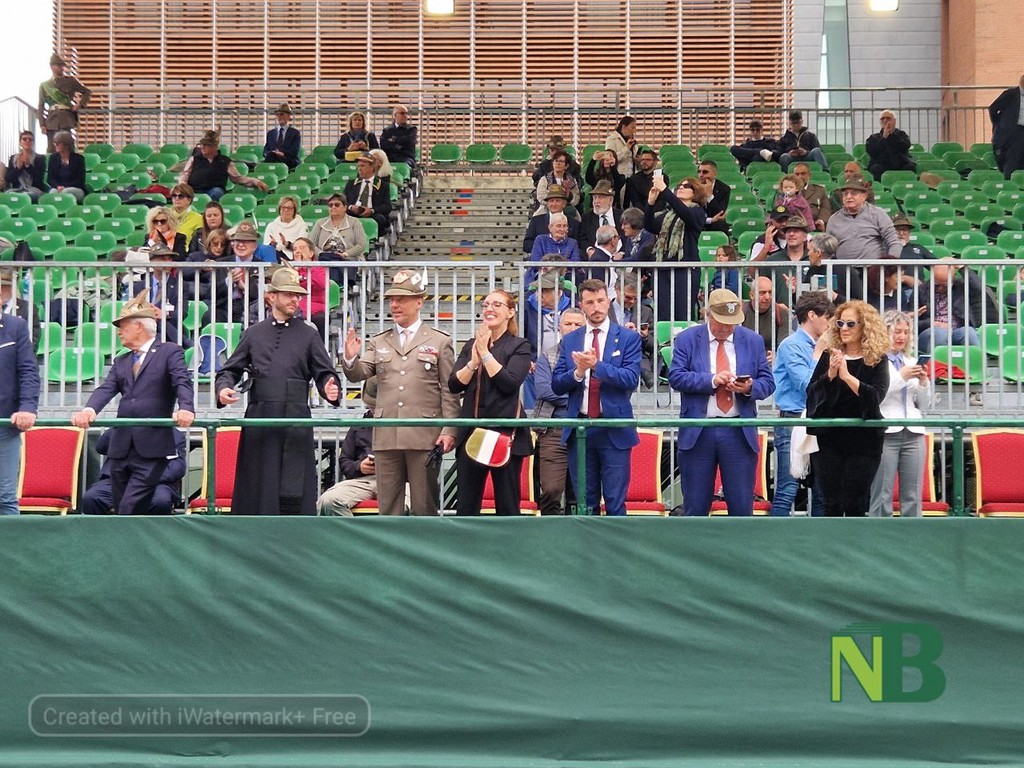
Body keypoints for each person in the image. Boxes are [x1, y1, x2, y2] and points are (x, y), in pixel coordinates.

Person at [215, 268, 341, 515]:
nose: (295, 299)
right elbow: (230, 370)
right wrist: (223, 388)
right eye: (288, 294)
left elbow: (325, 372)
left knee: (293, 484)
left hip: (295, 418)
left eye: (297, 295)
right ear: (271, 297)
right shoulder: (253, 333)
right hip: (260, 419)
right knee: (257, 483)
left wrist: (329, 386)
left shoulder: (309, 334)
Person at [342, 269, 460, 516]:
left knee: (424, 505)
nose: (394, 305)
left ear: (419, 302)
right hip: (387, 434)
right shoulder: (380, 341)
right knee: (388, 507)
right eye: (392, 300)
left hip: (423, 434)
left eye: (401, 299)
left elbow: (449, 391)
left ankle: (422, 543)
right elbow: (360, 373)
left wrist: (449, 430)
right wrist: (351, 359)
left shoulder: (439, 341)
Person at [71, 294, 195, 516]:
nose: (119, 332)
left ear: (139, 326)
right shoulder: (122, 360)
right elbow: (107, 388)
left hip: (152, 445)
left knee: (129, 507)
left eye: (123, 327)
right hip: (121, 447)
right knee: (121, 506)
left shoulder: (169, 351)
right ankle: (126, 538)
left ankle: (124, 538)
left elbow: (181, 382)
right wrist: (89, 409)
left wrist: (186, 408)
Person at [668, 289, 775, 516]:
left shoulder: (753, 340)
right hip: (699, 431)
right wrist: (711, 381)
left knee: (741, 505)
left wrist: (749, 387)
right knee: (695, 505)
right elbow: (675, 377)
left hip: (738, 431)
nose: (727, 328)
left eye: (732, 323)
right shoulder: (687, 339)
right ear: (708, 315)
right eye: (722, 322)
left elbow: (768, 382)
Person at [551, 279, 641, 516]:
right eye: (590, 302)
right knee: (584, 502)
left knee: (615, 502)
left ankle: (616, 541)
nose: (596, 307)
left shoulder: (628, 337)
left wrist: (596, 366)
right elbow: (557, 384)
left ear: (609, 301)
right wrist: (578, 372)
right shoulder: (571, 339)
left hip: (614, 429)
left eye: (600, 301)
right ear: (581, 305)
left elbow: (631, 379)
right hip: (580, 428)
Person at [449, 291, 533, 516]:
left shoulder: (519, 345)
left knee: (507, 504)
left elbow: (509, 384)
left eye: (497, 305)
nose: (489, 309)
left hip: (504, 433)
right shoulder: (471, 345)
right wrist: (473, 362)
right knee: (466, 505)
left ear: (510, 312)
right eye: (486, 305)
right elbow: (454, 385)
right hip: (472, 433)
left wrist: (486, 354)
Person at [806, 300, 890, 516]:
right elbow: (812, 394)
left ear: (865, 326)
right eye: (840, 323)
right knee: (831, 503)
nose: (844, 328)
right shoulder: (829, 356)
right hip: (829, 439)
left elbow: (875, 397)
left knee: (856, 503)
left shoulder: (877, 359)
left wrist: (846, 376)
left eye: (850, 324)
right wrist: (830, 375)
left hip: (864, 441)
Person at [771, 291, 835, 517]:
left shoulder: (826, 346)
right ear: (812, 315)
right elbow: (807, 385)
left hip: (818, 418)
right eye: (827, 318)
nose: (830, 324)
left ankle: (817, 538)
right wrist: (818, 353)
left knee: (821, 490)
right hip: (793, 418)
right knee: (788, 488)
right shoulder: (790, 345)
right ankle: (776, 537)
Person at [868, 311, 931, 518]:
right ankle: (879, 533)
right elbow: (876, 396)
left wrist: (923, 383)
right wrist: (901, 377)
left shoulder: (911, 360)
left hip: (914, 431)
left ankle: (913, 534)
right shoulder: (873, 361)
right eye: (896, 331)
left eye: (905, 332)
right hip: (886, 432)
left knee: (913, 495)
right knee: (882, 494)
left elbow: (924, 405)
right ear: (884, 332)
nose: (901, 336)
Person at [533, 307, 585, 515]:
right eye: (568, 324)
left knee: (581, 493)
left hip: (584, 430)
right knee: (551, 490)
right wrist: (578, 399)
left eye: (578, 324)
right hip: (554, 431)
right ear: (559, 327)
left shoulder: (594, 355)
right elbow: (544, 391)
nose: (572, 328)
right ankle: (550, 528)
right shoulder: (547, 356)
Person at [826, 177, 902, 300]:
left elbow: (894, 242)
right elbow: (828, 248)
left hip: (872, 272)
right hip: (844, 273)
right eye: (845, 194)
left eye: (853, 193)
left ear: (864, 196)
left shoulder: (877, 214)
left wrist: (888, 267)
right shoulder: (834, 219)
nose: (848, 197)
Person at [79, 429, 187, 515]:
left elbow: (177, 468)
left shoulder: (173, 434)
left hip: (155, 484)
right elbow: (101, 447)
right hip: (115, 482)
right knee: (92, 498)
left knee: (160, 501)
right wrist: (121, 423)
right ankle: (102, 534)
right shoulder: (123, 427)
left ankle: (151, 535)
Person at [0, 282, 39, 515]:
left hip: (4, 424)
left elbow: (28, 371)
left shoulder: (16, 326)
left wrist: (27, 408)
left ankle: (8, 539)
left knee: (4, 496)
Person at [645, 174, 707, 321]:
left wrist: (664, 190)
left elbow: (685, 213)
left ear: (695, 193)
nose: (681, 188)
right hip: (663, 269)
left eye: (686, 186)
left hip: (684, 269)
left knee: (682, 313)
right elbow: (649, 226)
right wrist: (650, 203)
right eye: (679, 186)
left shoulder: (698, 212)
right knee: (663, 314)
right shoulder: (668, 215)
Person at [917, 259, 994, 354]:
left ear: (953, 280)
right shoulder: (921, 291)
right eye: (936, 285)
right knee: (940, 334)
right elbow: (910, 321)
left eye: (945, 286)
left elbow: (979, 289)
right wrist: (931, 323)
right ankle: (939, 363)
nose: (940, 288)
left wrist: (962, 268)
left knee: (969, 332)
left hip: (957, 330)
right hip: (930, 332)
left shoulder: (961, 287)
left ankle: (975, 362)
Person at [178, 130, 269, 201]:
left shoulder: (225, 161)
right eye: (202, 145)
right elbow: (185, 174)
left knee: (217, 193)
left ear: (214, 147)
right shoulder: (194, 159)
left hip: (214, 190)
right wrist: (183, 185)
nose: (202, 147)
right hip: (194, 190)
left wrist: (255, 181)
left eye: (206, 145)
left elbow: (237, 178)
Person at [309, 193, 368, 287]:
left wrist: (345, 254)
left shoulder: (354, 222)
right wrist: (321, 254)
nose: (333, 207)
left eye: (337, 205)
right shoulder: (320, 223)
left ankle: (334, 287)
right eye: (330, 205)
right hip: (324, 259)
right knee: (329, 263)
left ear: (345, 207)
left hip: (347, 259)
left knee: (336, 265)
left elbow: (361, 245)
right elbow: (311, 244)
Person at [38, 53, 91, 152]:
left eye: (62, 65)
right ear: (52, 66)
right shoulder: (44, 85)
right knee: (52, 150)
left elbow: (87, 92)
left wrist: (80, 104)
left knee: (68, 148)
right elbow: (41, 106)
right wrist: (42, 124)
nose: (61, 68)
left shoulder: (70, 81)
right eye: (59, 65)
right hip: (51, 121)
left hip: (66, 119)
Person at [287, 237, 329, 337]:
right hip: (293, 307)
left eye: (301, 248)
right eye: (295, 249)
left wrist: (307, 266)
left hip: (315, 308)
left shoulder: (319, 268)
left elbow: (322, 283)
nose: (297, 251)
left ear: (311, 253)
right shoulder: (288, 269)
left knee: (320, 319)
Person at [742, 276, 790, 362]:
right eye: (762, 293)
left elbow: (784, 345)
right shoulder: (742, 311)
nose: (767, 297)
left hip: (770, 362)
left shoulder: (780, 312)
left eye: (770, 292)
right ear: (752, 295)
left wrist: (777, 355)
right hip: (745, 360)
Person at [523, 184, 581, 254]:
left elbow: (579, 245)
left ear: (564, 204)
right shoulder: (536, 221)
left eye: (557, 201)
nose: (554, 204)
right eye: (551, 201)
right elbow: (527, 244)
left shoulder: (574, 223)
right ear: (547, 204)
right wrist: (543, 249)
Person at [344, 151, 392, 235]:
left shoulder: (382, 185)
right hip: (353, 213)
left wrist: (372, 210)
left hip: (373, 214)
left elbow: (387, 207)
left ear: (372, 167)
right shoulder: (352, 183)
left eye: (362, 166)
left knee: (380, 219)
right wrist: (351, 207)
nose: (359, 169)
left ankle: (375, 239)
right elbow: (343, 201)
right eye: (358, 166)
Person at [988, 74, 1024, 179]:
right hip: (1014, 133)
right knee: (1012, 163)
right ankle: (1010, 184)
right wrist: (999, 124)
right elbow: (993, 108)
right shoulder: (1010, 94)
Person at [619, 281, 654, 388]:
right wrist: (623, 334)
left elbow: (654, 345)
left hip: (636, 356)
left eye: (635, 298)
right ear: (616, 290)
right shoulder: (604, 310)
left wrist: (645, 336)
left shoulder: (645, 312)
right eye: (628, 297)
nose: (632, 301)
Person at [865, 110, 916, 181]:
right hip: (880, 163)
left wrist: (892, 135)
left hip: (901, 163)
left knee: (910, 167)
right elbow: (871, 151)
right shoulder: (873, 138)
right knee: (876, 169)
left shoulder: (901, 135)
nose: (885, 120)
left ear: (894, 121)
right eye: (882, 118)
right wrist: (884, 137)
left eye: (888, 118)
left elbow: (905, 145)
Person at [579, 179, 624, 255]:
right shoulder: (587, 218)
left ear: (610, 200)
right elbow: (582, 240)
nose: (596, 201)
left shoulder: (621, 216)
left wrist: (621, 253)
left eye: (600, 197)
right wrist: (589, 250)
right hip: (596, 257)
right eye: (594, 198)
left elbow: (628, 238)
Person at [263, 195, 309, 261]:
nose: (286, 210)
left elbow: (302, 248)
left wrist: (287, 244)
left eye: (289, 208)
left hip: (293, 258)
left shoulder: (302, 226)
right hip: (274, 255)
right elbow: (265, 247)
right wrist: (272, 245)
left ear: (294, 210)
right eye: (283, 207)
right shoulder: (271, 226)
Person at [5, 131, 47, 202]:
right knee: (9, 195)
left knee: (26, 196)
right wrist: (18, 168)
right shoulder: (13, 158)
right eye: (24, 139)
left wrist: (28, 166)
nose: (27, 141)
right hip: (17, 189)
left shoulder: (40, 158)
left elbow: (39, 180)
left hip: (34, 190)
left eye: (30, 139)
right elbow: (9, 178)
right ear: (20, 143)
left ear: (33, 143)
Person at [46, 130, 86, 202]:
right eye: (55, 143)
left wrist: (65, 187)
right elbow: (50, 179)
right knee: (52, 193)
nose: (55, 145)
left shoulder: (79, 159)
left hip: (75, 188)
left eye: (58, 143)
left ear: (66, 145)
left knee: (66, 192)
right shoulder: (53, 158)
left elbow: (80, 180)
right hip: (58, 188)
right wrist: (58, 186)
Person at [792, 162, 832, 230]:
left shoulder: (819, 190)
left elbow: (826, 208)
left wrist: (821, 221)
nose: (800, 177)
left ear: (809, 175)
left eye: (803, 174)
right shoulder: (787, 191)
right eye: (797, 174)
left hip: (814, 225)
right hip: (792, 225)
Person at [263, 103, 301, 169]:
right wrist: (273, 153)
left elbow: (294, 151)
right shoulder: (270, 133)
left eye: (282, 114)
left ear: (288, 116)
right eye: (277, 114)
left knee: (272, 158)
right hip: (273, 159)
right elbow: (265, 150)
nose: (279, 117)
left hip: (288, 160)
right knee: (271, 157)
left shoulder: (295, 133)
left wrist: (282, 153)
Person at [698, 160, 731, 234]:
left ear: (714, 174)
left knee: (720, 224)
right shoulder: (694, 186)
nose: (701, 175)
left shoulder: (724, 188)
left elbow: (720, 213)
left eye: (705, 172)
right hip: (698, 220)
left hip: (715, 222)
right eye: (699, 172)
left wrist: (709, 195)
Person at [380, 105, 417, 169]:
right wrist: (399, 146)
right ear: (394, 116)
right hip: (390, 157)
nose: (405, 115)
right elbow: (384, 145)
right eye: (402, 113)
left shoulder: (412, 129)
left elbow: (410, 141)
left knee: (405, 166)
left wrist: (394, 139)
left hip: (406, 157)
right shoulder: (387, 130)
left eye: (406, 113)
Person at [167, 184, 204, 248]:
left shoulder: (198, 219)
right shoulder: (165, 216)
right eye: (174, 196)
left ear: (189, 200)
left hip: (186, 252)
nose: (177, 198)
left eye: (181, 196)